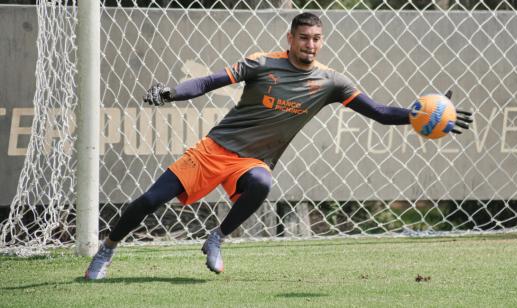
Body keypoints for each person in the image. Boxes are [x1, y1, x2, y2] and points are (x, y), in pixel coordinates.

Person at [84, 12, 472, 279]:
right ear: (290, 38)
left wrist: (424, 115)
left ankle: (217, 237)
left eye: (317, 39)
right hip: (214, 149)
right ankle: (108, 247)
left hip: (251, 161)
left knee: (263, 184)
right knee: (149, 201)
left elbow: (381, 113)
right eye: (303, 38)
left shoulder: (332, 83)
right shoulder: (261, 63)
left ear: (322, 41)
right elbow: (206, 83)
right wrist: (170, 92)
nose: (310, 44)